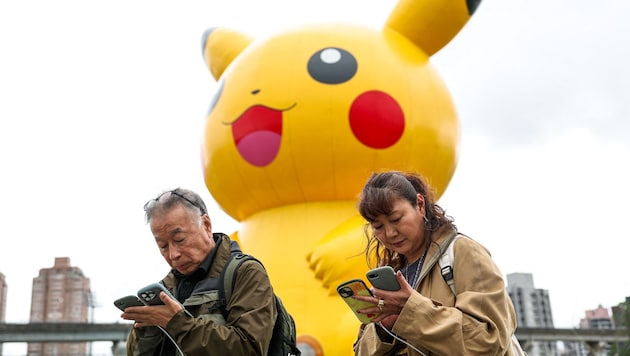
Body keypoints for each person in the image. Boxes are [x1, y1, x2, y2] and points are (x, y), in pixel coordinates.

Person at [352, 171, 518, 355]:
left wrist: (410, 309)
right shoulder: (394, 274)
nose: (390, 233)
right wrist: (384, 329)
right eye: (378, 227)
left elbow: (489, 341)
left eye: (396, 219)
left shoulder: (463, 251)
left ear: (420, 205)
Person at [120, 188, 277, 355]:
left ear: (207, 225)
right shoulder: (165, 289)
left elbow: (250, 349)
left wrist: (177, 324)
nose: (173, 255)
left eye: (180, 240)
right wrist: (148, 329)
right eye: (163, 247)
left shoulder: (245, 274)